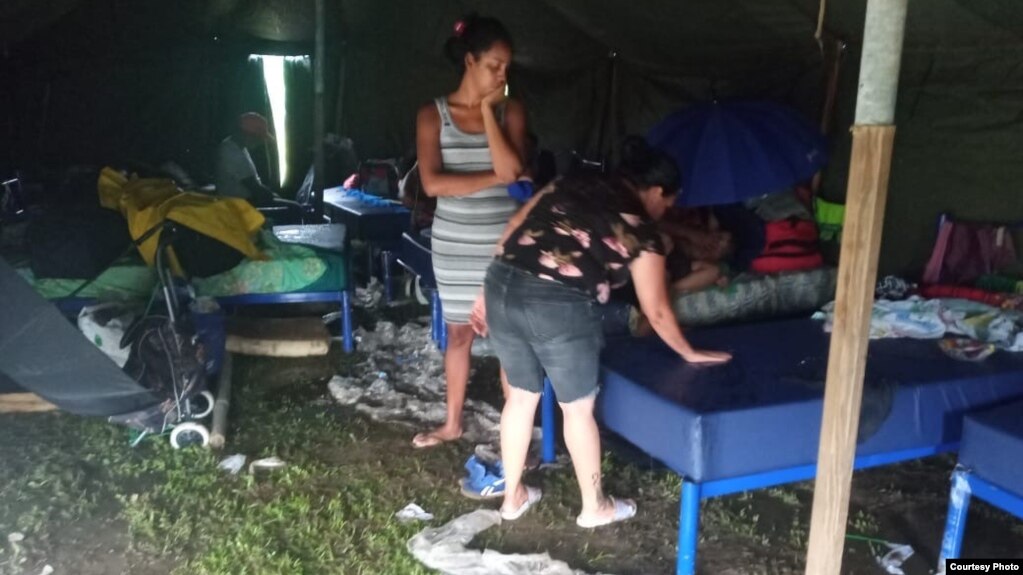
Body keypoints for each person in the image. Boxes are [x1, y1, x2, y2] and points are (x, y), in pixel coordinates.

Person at [472, 138, 732, 526]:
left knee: (521, 398)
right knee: (577, 409)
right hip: (557, 303)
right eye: (669, 202)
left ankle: (513, 498)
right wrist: (689, 352)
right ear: (658, 192)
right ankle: (595, 506)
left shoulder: (569, 182)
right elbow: (657, 310)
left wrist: (483, 293)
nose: (666, 211)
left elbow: (514, 226)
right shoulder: (642, 230)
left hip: (501, 282)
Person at [411, 14, 529, 448]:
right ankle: (452, 422)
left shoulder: (510, 110)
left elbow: (514, 168)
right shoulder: (432, 114)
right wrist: (496, 177)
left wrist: (486, 110)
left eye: (506, 67)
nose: (503, 74)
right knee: (458, 332)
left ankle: (510, 431)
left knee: (506, 335)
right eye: (494, 65)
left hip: (502, 241)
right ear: (469, 61)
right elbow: (433, 184)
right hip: (454, 240)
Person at [214, 112, 277, 207]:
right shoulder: (231, 152)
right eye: (259, 138)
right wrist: (273, 196)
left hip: (244, 203)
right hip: (239, 206)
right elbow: (254, 187)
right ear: (248, 134)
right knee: (295, 209)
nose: (260, 142)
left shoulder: (239, 148)